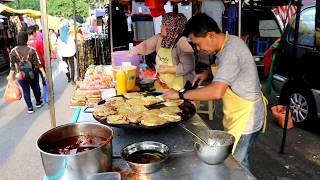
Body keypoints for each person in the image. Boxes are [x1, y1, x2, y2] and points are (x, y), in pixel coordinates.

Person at [163, 13, 267, 170]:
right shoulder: (229, 41)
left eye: (198, 44)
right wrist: (207, 74)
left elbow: (216, 92)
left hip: (246, 117)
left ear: (210, 35)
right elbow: (230, 70)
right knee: (237, 160)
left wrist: (179, 94)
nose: (198, 49)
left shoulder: (230, 52)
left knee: (237, 165)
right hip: (237, 112)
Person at [129, 12, 195, 90]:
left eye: (163, 24)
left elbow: (189, 66)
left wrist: (168, 69)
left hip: (182, 87)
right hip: (165, 85)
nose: (161, 26)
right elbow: (145, 45)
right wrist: (132, 51)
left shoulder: (182, 43)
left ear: (171, 26)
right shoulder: (160, 38)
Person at [7, 31, 46, 114]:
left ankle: (30, 107)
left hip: (20, 75)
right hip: (33, 73)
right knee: (36, 87)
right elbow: (37, 62)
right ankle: (38, 102)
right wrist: (43, 72)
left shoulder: (13, 51)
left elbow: (12, 66)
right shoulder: (31, 50)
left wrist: (10, 76)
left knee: (25, 90)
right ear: (26, 39)